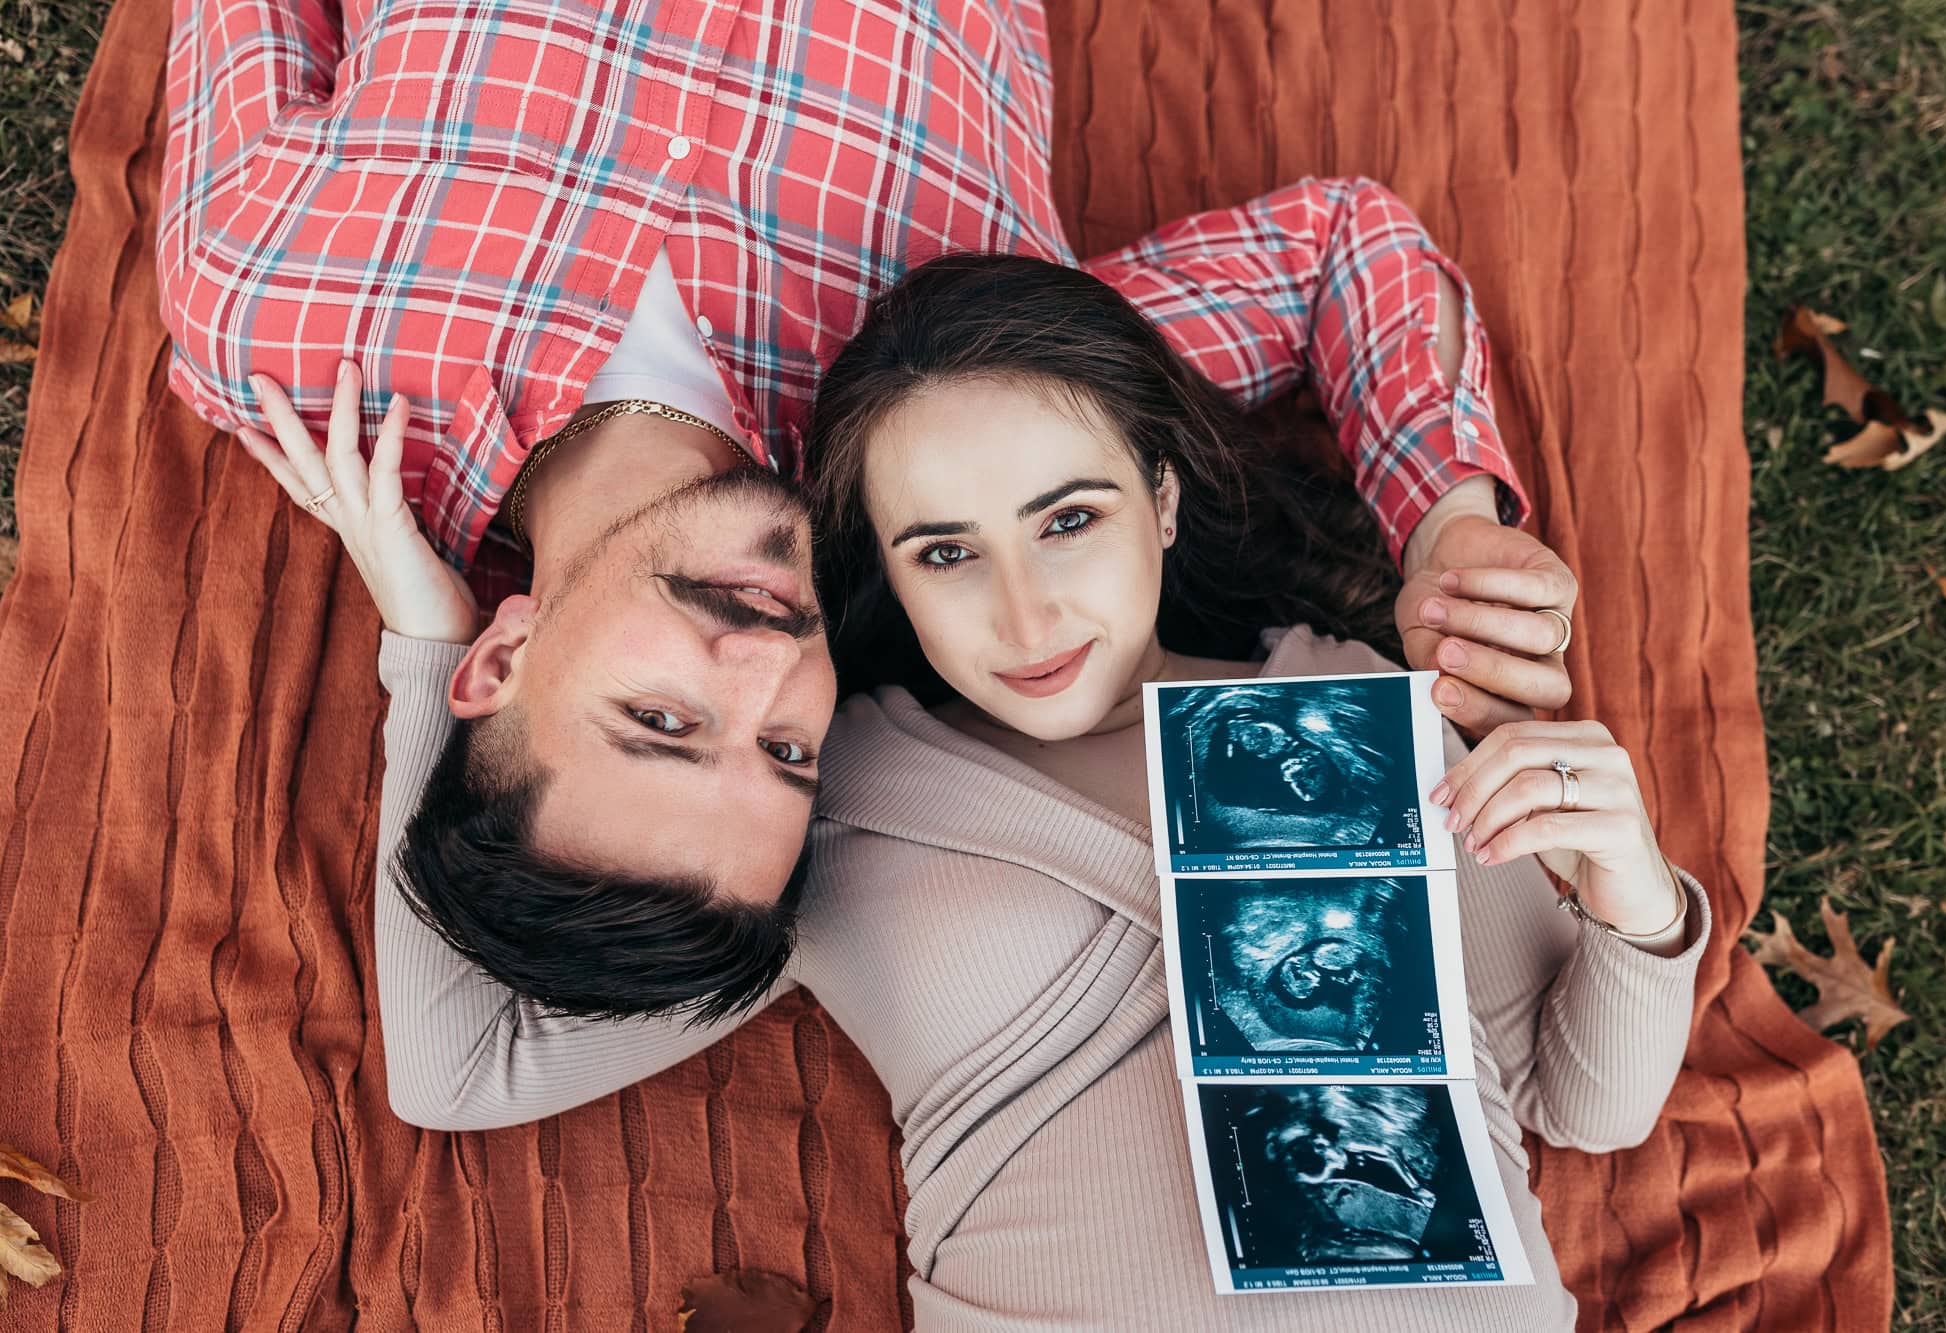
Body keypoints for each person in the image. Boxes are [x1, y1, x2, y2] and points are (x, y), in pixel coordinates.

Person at [255, 254, 1707, 1329]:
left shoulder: (1363, 702)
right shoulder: (825, 795)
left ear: (1163, 499)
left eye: (1069, 521)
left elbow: (1574, 1108)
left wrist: (1638, 904)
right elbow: (457, 1069)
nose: (1028, 618)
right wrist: (427, 640)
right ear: (878, 567)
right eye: (943, 551)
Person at [168, 0, 1579, 1020]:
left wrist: (414, 635)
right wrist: (1446, 521)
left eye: (661, 720)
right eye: (787, 749)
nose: (767, 664)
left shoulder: (271, 321)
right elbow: (1338, 249)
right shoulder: (952, 429)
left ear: (500, 660)